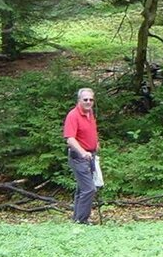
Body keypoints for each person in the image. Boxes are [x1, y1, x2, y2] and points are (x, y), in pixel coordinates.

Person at [63, 87, 99, 224]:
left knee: (82, 189)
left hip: (91, 155)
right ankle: (82, 220)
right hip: (79, 157)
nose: (88, 102)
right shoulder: (73, 115)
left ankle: (77, 218)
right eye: (85, 99)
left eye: (91, 99)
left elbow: (90, 131)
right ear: (79, 100)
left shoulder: (90, 113)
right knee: (89, 189)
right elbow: (70, 139)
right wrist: (83, 152)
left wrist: (96, 143)